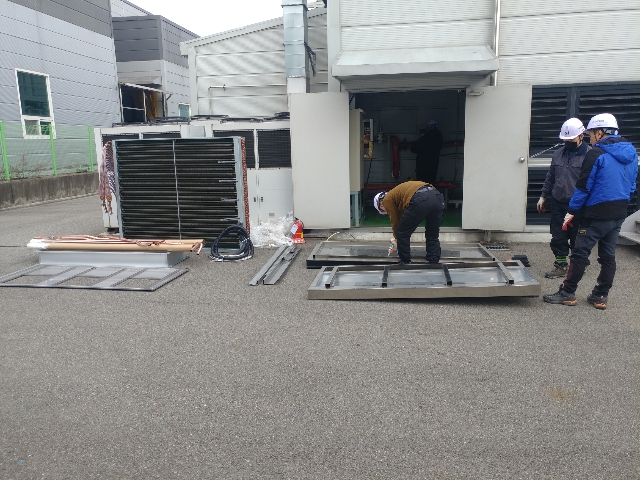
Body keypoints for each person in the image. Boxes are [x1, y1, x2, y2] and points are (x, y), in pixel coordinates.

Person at [543, 113, 638, 309]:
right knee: (608, 256)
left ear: (600, 132)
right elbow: (631, 187)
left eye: (592, 133)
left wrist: (572, 211)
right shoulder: (632, 154)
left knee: (579, 253)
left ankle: (567, 293)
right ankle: (600, 296)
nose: (590, 137)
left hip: (596, 213)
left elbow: (583, 187)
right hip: (619, 213)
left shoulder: (595, 154)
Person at [537, 118, 590, 278]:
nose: (567, 142)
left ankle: (577, 266)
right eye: (565, 140)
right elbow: (550, 177)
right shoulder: (558, 154)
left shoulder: (590, 155)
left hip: (579, 205)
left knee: (578, 238)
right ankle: (561, 265)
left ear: (581, 136)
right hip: (559, 203)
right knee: (558, 236)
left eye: (570, 139)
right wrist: (543, 196)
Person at [373, 180, 445, 265]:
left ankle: (405, 261)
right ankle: (433, 259)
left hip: (420, 198)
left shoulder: (387, 200)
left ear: (381, 205)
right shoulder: (397, 195)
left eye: (383, 210)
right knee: (432, 233)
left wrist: (396, 237)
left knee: (402, 233)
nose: (386, 211)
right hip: (437, 197)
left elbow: (395, 221)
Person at [411, 119, 443, 184]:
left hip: (423, 167)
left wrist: (422, 137)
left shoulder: (426, 138)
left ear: (430, 127)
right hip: (433, 167)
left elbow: (414, 149)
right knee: (431, 184)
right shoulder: (439, 138)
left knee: (422, 185)